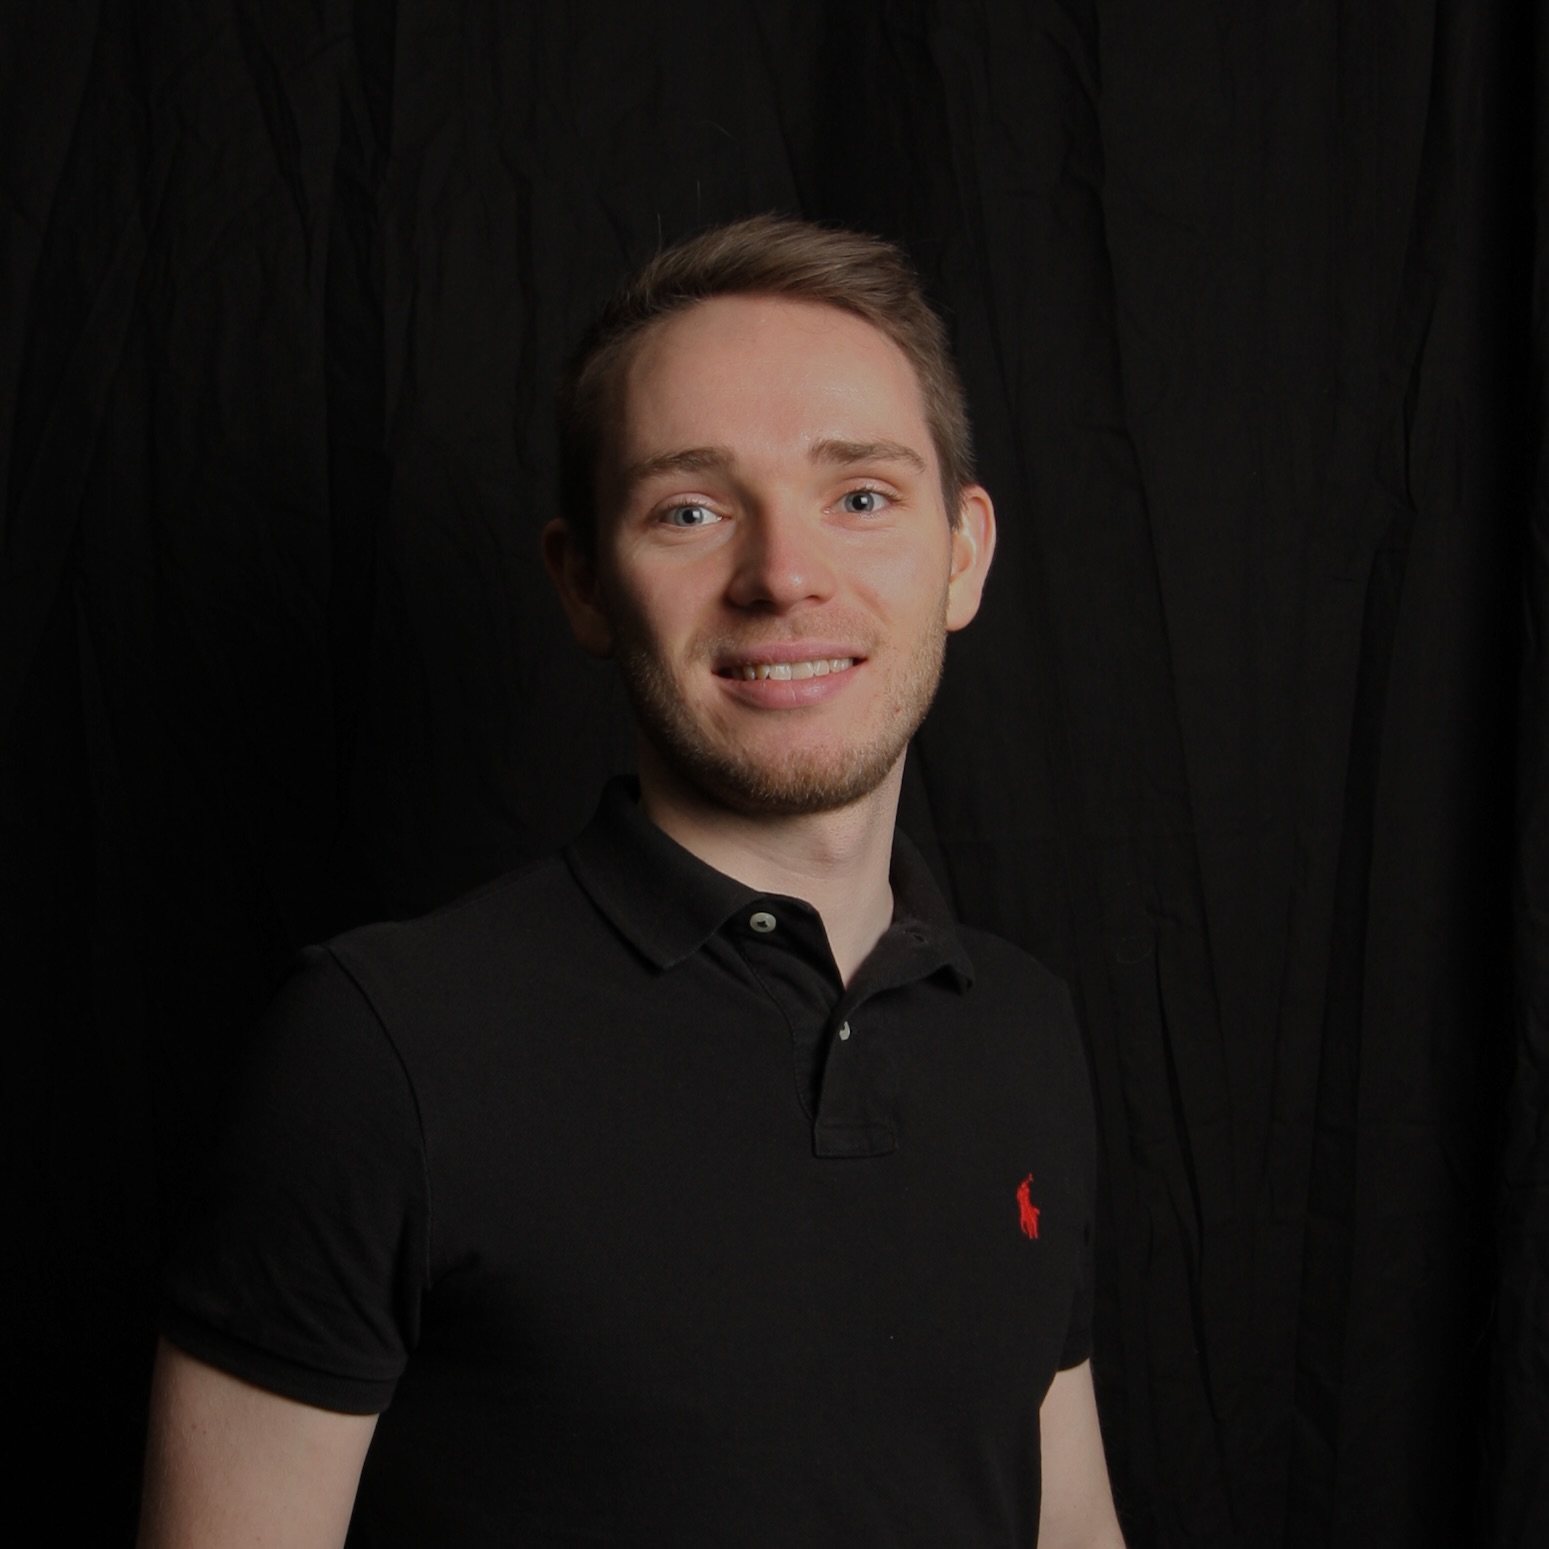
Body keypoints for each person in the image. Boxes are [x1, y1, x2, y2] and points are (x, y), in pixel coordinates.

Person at [137, 215, 1125, 1548]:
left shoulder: (1022, 1030)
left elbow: (1068, 1526)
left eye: (860, 496)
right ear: (585, 582)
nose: (783, 576)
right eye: (690, 510)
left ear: (961, 554)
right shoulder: (385, 1048)